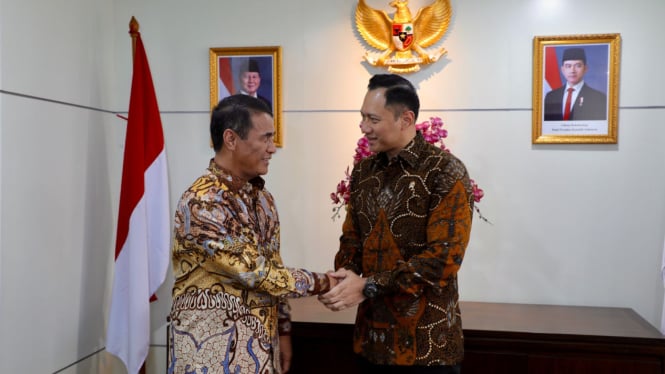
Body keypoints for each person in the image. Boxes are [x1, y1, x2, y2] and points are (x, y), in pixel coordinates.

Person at [319, 74, 475, 374]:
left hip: (427, 350)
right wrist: (344, 277)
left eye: (372, 119)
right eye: (362, 117)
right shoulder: (364, 171)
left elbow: (443, 259)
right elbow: (351, 239)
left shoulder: (444, 171)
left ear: (406, 119)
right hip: (371, 345)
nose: (364, 127)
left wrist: (368, 285)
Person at [168, 94, 335, 374]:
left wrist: (282, 331)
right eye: (265, 138)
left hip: (258, 351)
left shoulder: (262, 198)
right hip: (210, 359)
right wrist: (326, 281)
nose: (272, 148)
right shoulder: (204, 201)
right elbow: (257, 273)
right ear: (231, 139)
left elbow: (274, 266)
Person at [544, 47, 607, 121]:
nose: (572, 70)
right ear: (562, 70)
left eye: (578, 66)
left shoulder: (598, 98)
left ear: (585, 69)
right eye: (568, 66)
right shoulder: (551, 96)